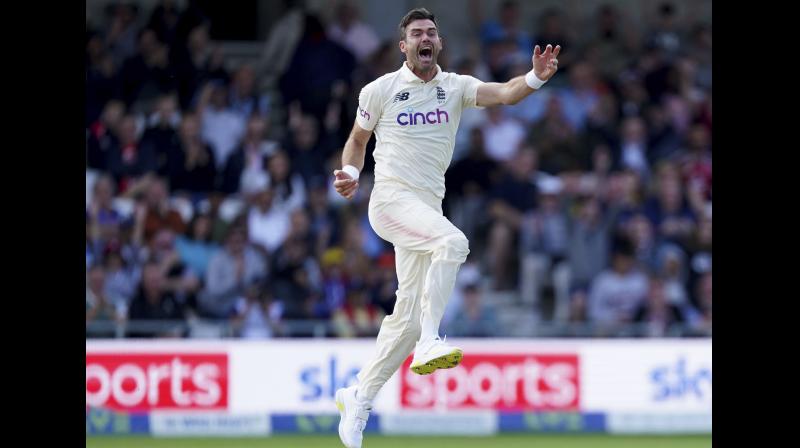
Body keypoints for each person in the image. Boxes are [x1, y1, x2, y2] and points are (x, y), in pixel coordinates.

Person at [331, 8, 561, 448]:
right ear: (403, 46)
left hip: (426, 211)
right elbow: (358, 141)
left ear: (438, 44)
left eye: (431, 33)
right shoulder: (380, 90)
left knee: (407, 318)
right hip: (391, 201)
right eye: (416, 33)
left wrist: (534, 78)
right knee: (454, 242)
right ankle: (433, 341)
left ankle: (359, 395)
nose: (425, 38)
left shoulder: (455, 87)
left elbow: (506, 93)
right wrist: (350, 173)